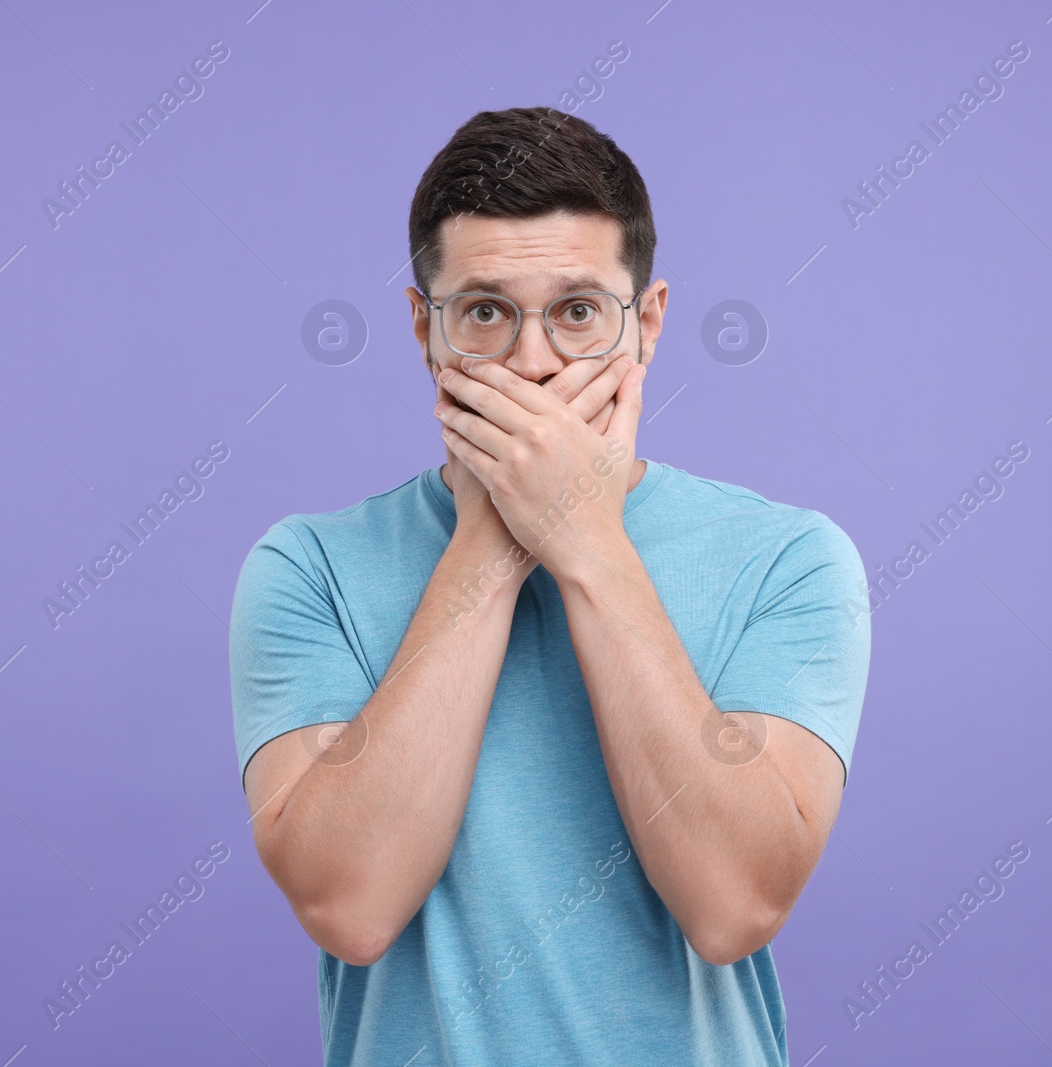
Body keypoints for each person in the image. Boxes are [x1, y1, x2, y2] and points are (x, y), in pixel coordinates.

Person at [229, 105, 871, 1066]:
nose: (532, 364)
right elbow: (350, 905)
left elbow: (734, 904)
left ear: (646, 324)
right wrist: (493, 540)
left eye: (578, 312)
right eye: (486, 311)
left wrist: (586, 543)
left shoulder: (792, 560)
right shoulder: (306, 568)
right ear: (424, 330)